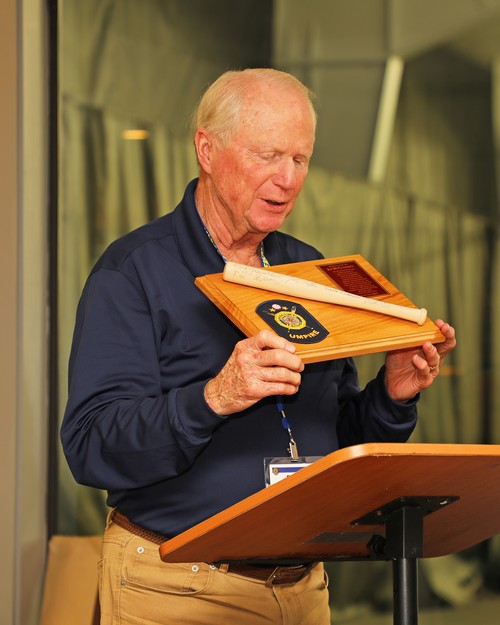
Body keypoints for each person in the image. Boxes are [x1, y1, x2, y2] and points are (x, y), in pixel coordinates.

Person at [60, 68, 456, 625]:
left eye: (300, 159)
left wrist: (392, 395)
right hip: (179, 589)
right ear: (207, 149)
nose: (288, 178)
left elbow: (340, 442)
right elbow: (90, 445)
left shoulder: (312, 272)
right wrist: (214, 397)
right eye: (268, 155)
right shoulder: (132, 273)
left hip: (306, 588)